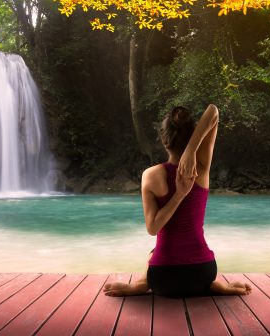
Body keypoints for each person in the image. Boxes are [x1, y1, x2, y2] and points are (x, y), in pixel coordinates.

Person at [104, 104, 251, 297]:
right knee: (188, 250)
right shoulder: (201, 166)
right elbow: (213, 111)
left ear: (165, 141)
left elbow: (153, 228)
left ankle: (141, 283)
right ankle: (212, 286)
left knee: (154, 250)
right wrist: (192, 151)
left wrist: (178, 195)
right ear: (192, 138)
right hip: (203, 274)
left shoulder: (150, 176)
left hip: (163, 280)